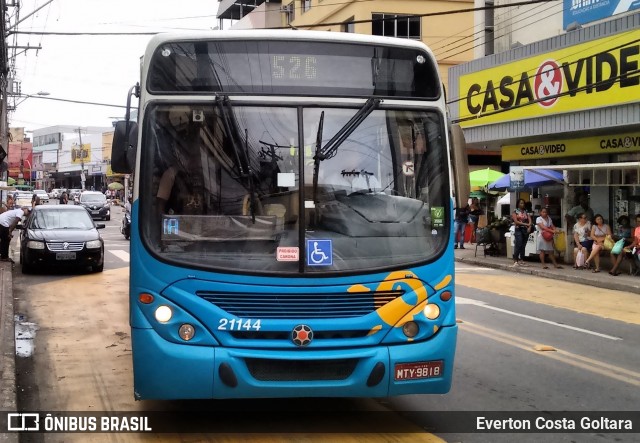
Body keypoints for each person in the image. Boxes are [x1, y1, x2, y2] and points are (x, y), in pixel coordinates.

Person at [511, 198, 531, 266]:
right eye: (521, 203)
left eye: (523, 203)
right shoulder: (515, 211)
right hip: (518, 229)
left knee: (523, 245)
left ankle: (522, 259)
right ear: (518, 204)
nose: (522, 204)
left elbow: (530, 220)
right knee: (518, 244)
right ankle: (515, 260)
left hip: (525, 230)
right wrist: (526, 224)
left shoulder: (526, 211)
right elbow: (516, 221)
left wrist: (529, 226)